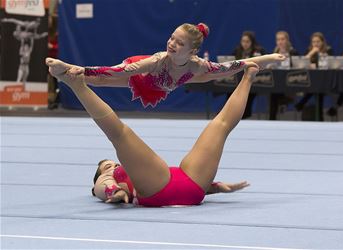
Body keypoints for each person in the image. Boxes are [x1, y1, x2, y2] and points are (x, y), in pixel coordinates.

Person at [46, 56, 260, 206]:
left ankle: (248, 78)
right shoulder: (107, 179)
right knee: (119, 134)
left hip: (193, 185)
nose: (111, 165)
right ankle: (78, 86)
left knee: (220, 125)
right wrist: (115, 192)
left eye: (111, 163)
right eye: (106, 166)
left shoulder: (132, 169)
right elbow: (102, 188)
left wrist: (216, 187)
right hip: (160, 189)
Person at [46, 23, 285, 108]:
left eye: (178, 43)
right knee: (102, 80)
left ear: (192, 50)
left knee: (215, 74)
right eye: (171, 38)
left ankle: (71, 73)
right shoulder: (158, 59)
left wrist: (270, 57)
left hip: (174, 79)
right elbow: (119, 70)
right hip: (145, 75)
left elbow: (234, 65)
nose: (171, 43)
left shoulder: (198, 64)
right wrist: (85, 70)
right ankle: (69, 69)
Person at [294, 32, 333, 121]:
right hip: (311, 81)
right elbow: (302, 62)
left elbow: (330, 63)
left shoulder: (328, 50)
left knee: (318, 88)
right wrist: (311, 53)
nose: (316, 44)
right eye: (313, 42)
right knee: (315, 88)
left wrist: (320, 53)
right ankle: (320, 118)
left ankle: (302, 103)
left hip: (326, 81)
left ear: (322, 42)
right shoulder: (309, 50)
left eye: (318, 42)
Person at [270, 31, 298, 120]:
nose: (280, 42)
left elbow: (298, 66)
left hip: (290, 82)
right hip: (277, 83)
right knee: (272, 90)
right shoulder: (274, 52)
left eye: (282, 39)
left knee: (279, 89)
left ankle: (283, 102)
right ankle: (272, 119)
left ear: (287, 40)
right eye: (278, 39)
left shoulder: (293, 52)